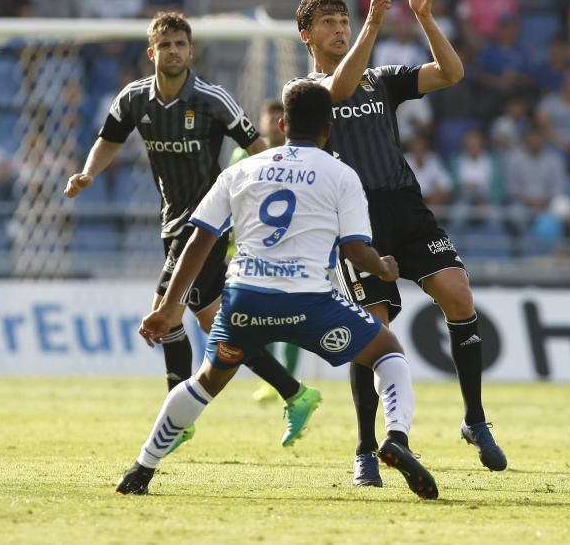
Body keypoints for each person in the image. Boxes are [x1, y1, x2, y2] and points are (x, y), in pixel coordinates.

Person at [115, 81, 438, 500]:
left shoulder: (240, 171)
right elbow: (356, 249)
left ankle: (141, 469)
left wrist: (171, 308)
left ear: (282, 124)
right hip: (311, 304)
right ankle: (395, 438)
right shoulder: (341, 175)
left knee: (206, 381)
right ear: (328, 130)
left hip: (244, 301)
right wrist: (384, 266)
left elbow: (198, 241)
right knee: (387, 351)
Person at [291, 0, 507, 490]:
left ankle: (474, 420)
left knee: (458, 295)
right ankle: (366, 450)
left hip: (406, 208)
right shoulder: (306, 89)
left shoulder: (382, 78)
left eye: (344, 20)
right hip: (356, 218)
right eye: (328, 23)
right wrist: (371, 25)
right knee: (374, 329)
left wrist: (427, 18)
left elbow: (450, 73)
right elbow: (339, 89)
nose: (339, 29)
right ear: (307, 36)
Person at [64, 12, 318, 451]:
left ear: (191, 50)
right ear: (152, 53)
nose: (175, 52)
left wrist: (271, 196)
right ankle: (296, 392)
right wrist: (88, 174)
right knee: (215, 323)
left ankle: (176, 419)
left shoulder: (211, 99)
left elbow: (256, 148)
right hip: (172, 221)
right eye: (166, 46)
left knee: (165, 315)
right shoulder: (133, 99)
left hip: (206, 223)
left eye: (181, 44)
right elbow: (109, 139)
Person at [228, 98, 301, 402]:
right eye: (269, 117)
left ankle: (289, 378)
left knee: (295, 317)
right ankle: (274, 380)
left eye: (279, 117)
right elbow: (231, 196)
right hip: (253, 246)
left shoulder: (298, 154)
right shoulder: (241, 154)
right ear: (260, 123)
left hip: (293, 244)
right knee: (261, 315)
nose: (273, 123)